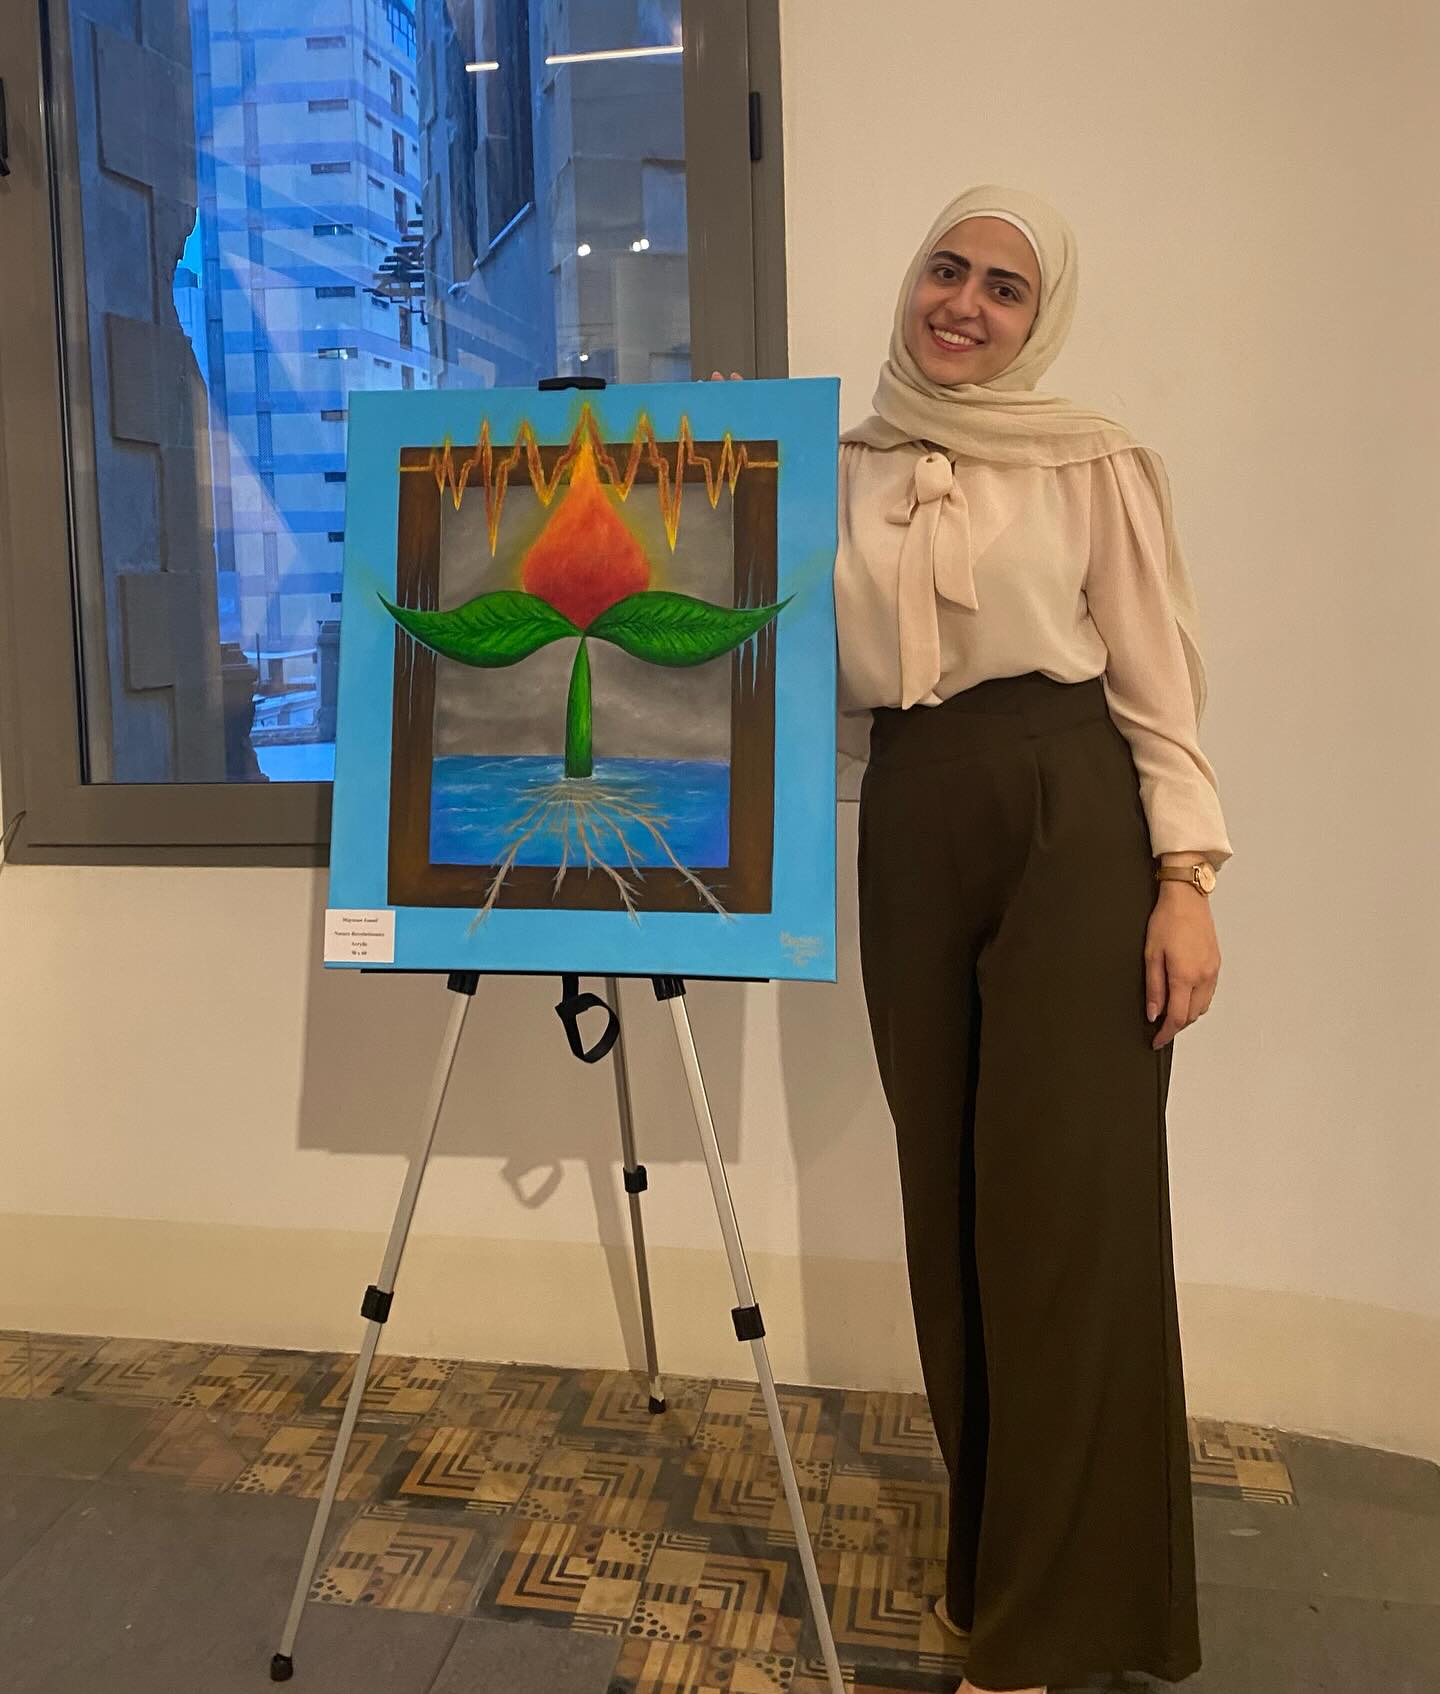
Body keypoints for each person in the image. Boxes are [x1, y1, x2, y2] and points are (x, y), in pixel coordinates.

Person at [715, 181, 1231, 1691]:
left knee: (1068, 1216)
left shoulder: (1091, 460)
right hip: (914, 818)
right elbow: (773, 653)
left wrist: (1187, 876)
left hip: (1075, 818)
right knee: (949, 1212)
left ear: (1038, 317)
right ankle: (999, 1565)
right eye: (948, 270)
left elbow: (1158, 679)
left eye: (1005, 287)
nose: (966, 304)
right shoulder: (834, 466)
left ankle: (1049, 1631)